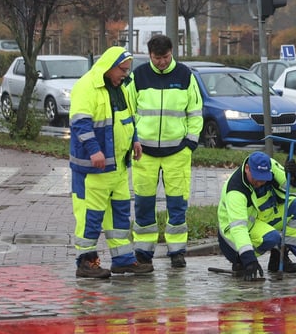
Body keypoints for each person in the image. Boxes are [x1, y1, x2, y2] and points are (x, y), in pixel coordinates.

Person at [69, 46, 152, 279]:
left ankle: (123, 260)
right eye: (122, 70)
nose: (125, 74)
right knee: (90, 216)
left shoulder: (120, 88)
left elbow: (128, 119)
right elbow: (80, 124)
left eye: (127, 70)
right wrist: (94, 151)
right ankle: (86, 262)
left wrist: (135, 140)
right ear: (109, 67)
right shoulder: (87, 87)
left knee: (119, 216)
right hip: (93, 169)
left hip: (117, 167)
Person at [126, 35, 203, 269]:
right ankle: (143, 251)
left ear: (172, 52)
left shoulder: (185, 76)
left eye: (165, 57)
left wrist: (190, 143)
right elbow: (128, 112)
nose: (161, 62)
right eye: (157, 58)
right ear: (149, 55)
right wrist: (133, 141)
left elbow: (195, 112)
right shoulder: (138, 76)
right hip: (144, 153)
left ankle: (177, 251)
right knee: (143, 203)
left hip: (177, 152)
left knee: (177, 203)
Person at [217, 151, 296, 280]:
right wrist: (249, 260)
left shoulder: (268, 165)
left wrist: (293, 176)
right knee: (271, 237)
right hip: (234, 236)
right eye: (257, 177)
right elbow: (238, 228)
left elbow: (292, 187)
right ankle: (241, 261)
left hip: (263, 217)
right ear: (247, 169)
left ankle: (280, 258)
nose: (260, 182)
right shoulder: (235, 191)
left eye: (264, 177)